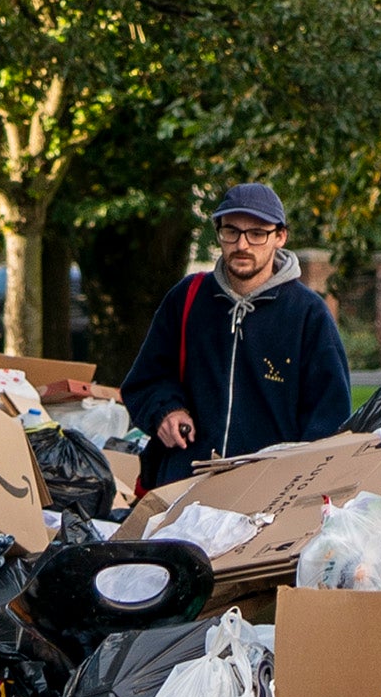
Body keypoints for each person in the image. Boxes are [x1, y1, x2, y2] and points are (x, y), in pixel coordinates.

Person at [119, 183, 352, 490]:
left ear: (280, 236)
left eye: (257, 233)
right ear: (219, 233)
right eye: (232, 231)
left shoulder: (308, 314)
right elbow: (146, 380)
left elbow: (330, 420)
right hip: (183, 488)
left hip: (265, 497)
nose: (243, 244)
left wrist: (297, 488)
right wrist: (166, 411)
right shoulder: (187, 299)